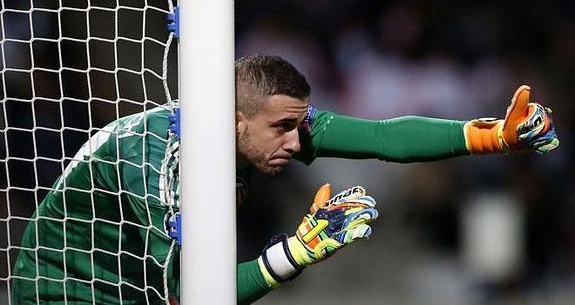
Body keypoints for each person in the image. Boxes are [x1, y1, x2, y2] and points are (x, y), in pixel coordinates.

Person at [11, 54, 558, 304]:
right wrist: (295, 252)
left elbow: (382, 137)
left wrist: (489, 136)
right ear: (235, 119)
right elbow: (194, 297)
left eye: (300, 125)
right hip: (64, 293)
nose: (297, 143)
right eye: (283, 128)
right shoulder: (155, 169)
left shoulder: (247, 122)